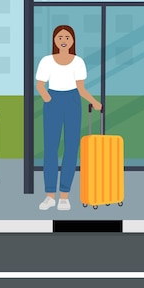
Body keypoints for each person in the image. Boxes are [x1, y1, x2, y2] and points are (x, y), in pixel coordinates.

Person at [35, 25, 102, 211]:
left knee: (71, 148)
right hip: (53, 102)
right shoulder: (47, 61)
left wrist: (95, 102)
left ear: (72, 41)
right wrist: (49, 99)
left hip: (72, 102)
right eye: (60, 37)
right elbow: (40, 85)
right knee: (50, 149)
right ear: (54, 40)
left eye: (67, 37)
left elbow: (81, 89)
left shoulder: (78, 62)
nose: (63, 40)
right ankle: (49, 195)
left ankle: (64, 196)